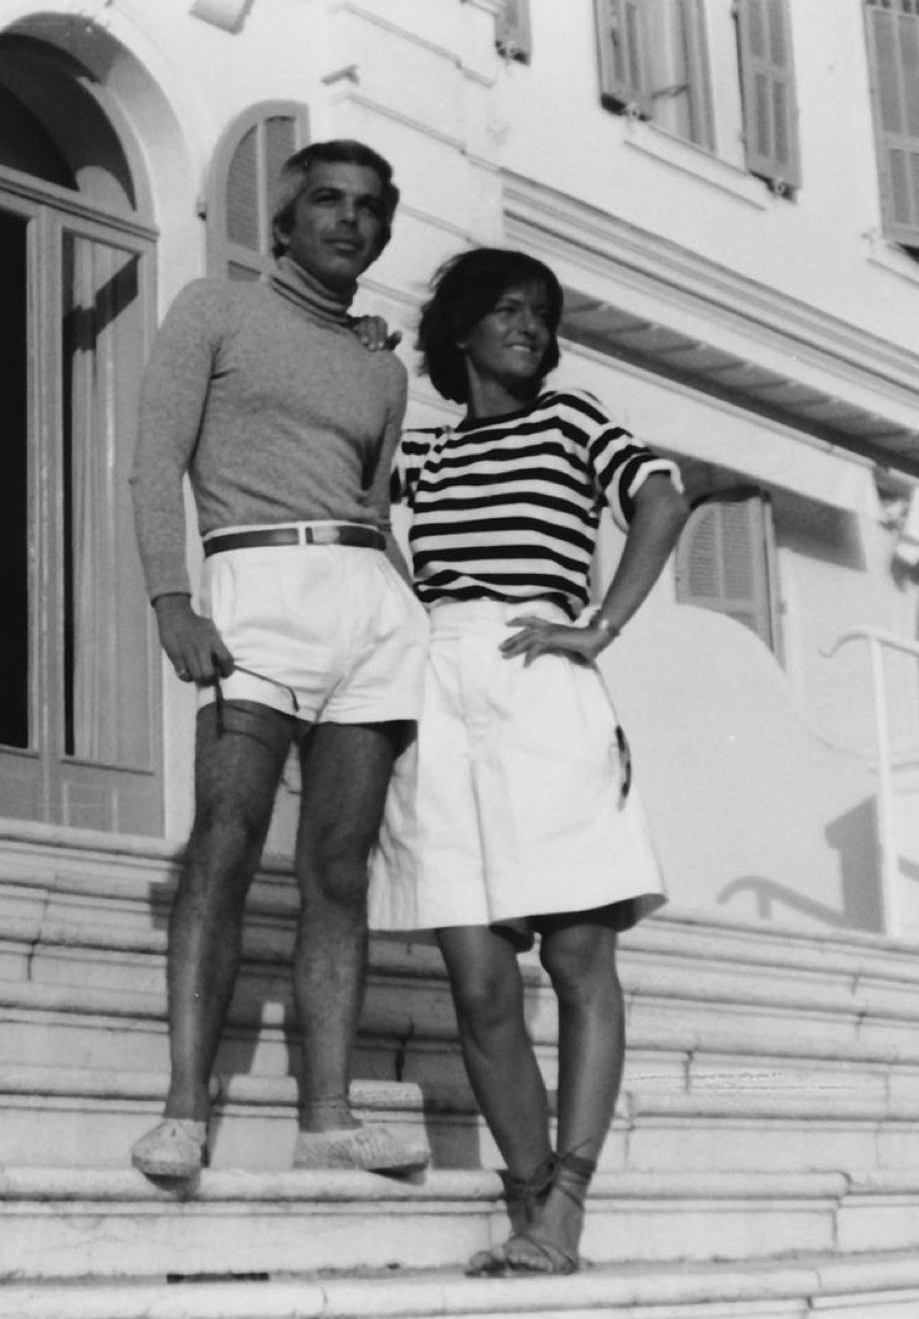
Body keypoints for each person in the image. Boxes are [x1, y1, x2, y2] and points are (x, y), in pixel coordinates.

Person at [370, 248, 683, 1275]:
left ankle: (564, 1205)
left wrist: (598, 624)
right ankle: (527, 1191)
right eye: (505, 310)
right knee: (474, 972)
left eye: (541, 314)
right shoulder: (423, 449)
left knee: (578, 957)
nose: (529, 327)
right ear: (459, 331)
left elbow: (663, 496)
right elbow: (356, 497)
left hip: (541, 676)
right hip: (438, 687)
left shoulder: (572, 420)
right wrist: (366, 364)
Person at [126, 139, 429, 1178]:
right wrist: (172, 595)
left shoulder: (382, 365)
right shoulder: (214, 309)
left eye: (369, 207)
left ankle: (328, 1121)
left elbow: (376, 506)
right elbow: (153, 457)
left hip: (368, 605)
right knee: (225, 834)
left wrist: (418, 618)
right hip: (254, 589)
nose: (350, 221)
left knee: (338, 869)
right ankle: (182, 1107)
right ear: (287, 219)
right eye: (329, 202)